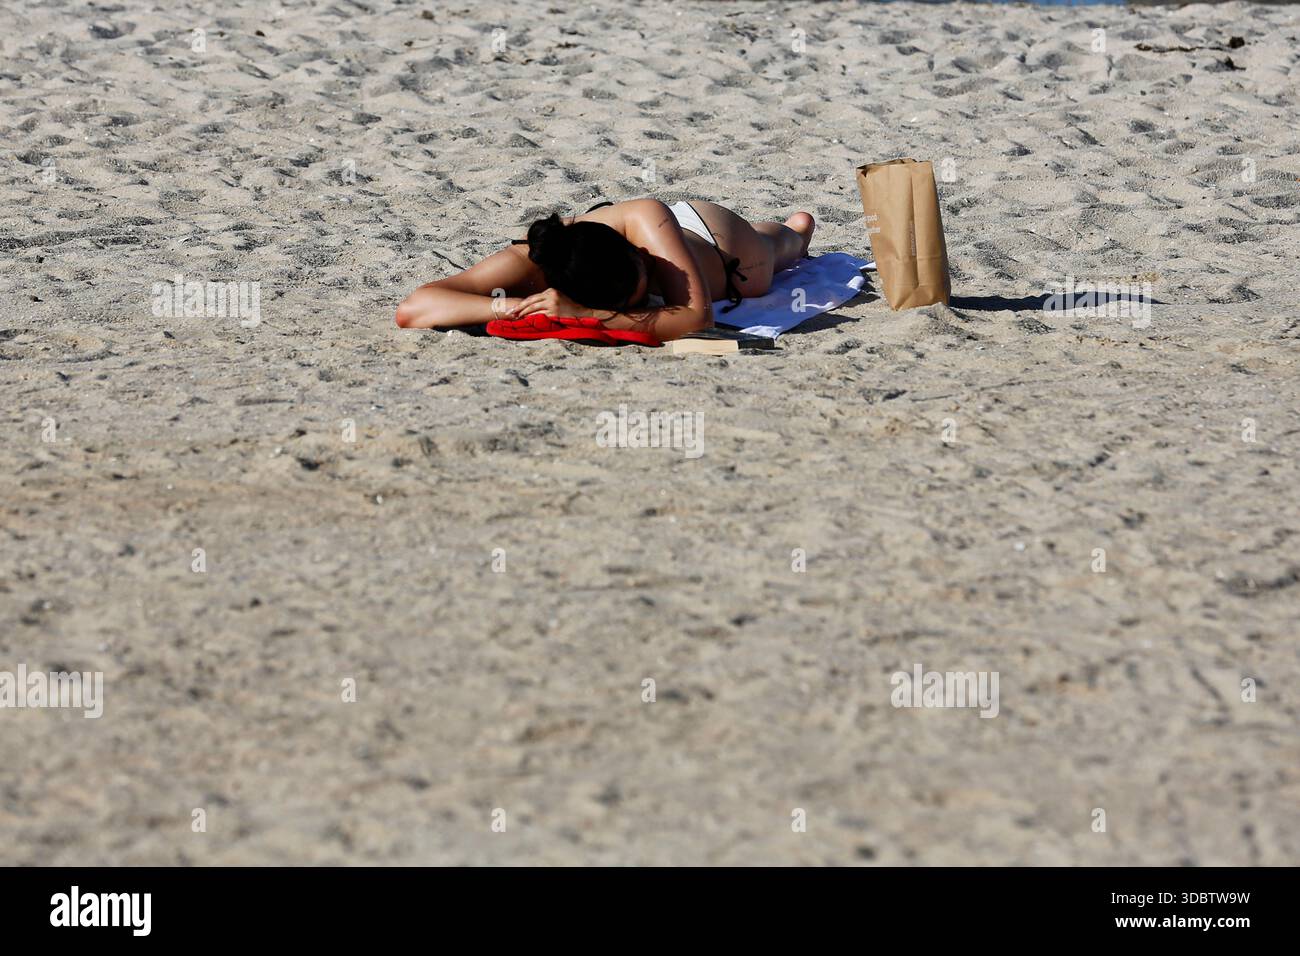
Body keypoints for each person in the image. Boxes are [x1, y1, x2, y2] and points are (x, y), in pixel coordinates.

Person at [395, 199, 814, 341]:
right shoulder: (535, 261)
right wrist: (522, 307)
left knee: (780, 248)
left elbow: (695, 316)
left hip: (715, 241)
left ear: (633, 251)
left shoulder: (643, 221)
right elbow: (414, 309)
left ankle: (796, 231)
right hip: (614, 254)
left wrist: (583, 315)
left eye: (642, 270)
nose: (652, 273)